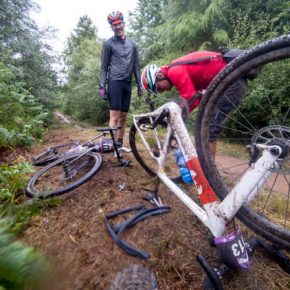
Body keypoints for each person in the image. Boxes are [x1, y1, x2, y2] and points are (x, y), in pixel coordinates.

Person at [141, 50, 251, 159]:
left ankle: (208, 173)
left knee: (207, 132)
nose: (162, 91)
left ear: (160, 75)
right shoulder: (175, 68)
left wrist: (172, 116)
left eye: (159, 88)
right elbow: (193, 99)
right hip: (232, 78)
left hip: (232, 80)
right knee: (203, 127)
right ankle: (205, 166)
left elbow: (188, 100)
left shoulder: (174, 72)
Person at [99, 11, 143, 149]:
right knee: (114, 116)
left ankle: (119, 144)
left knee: (123, 116)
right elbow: (104, 66)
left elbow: (136, 65)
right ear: (111, 27)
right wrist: (102, 86)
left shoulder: (132, 44)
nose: (117, 27)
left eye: (119, 24)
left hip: (127, 83)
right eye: (114, 25)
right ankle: (112, 146)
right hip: (114, 82)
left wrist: (140, 84)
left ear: (123, 24)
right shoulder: (108, 44)